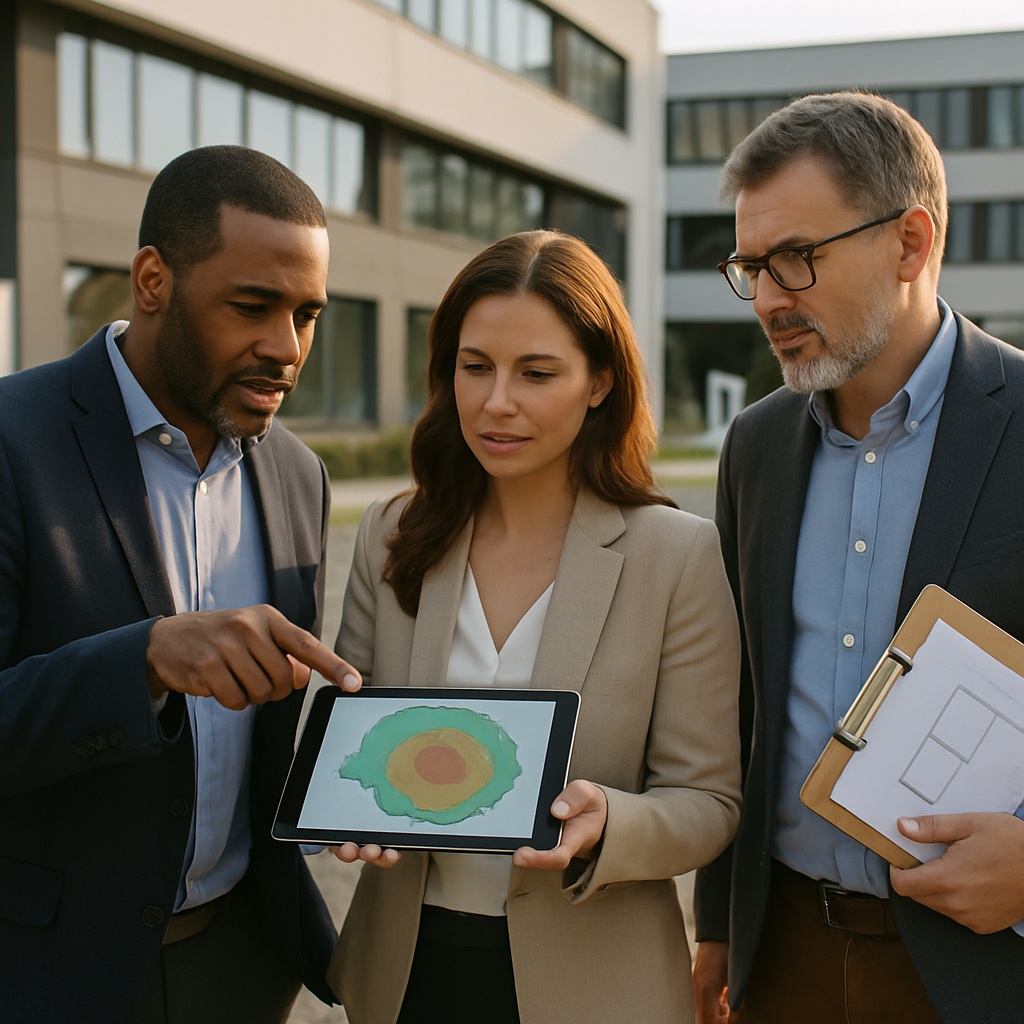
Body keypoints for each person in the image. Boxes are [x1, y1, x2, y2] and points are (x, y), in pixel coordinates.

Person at [325, 230, 743, 1024]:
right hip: (407, 973)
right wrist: (349, 810)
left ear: (600, 382)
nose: (495, 402)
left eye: (536, 373)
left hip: (595, 982)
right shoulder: (390, 533)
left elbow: (709, 799)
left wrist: (610, 823)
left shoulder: (676, 555)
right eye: (474, 366)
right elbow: (352, 740)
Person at [0, 145, 364, 1024]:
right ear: (153, 280)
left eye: (308, 314)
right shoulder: (12, 440)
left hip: (244, 965)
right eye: (253, 306)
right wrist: (148, 660)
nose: (286, 348)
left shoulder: (297, 474)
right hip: (49, 975)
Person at [691, 92, 1024, 1024]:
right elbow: (745, 704)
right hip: (784, 955)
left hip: (983, 973)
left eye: (795, 258)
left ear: (911, 243)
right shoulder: (754, 447)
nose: (766, 298)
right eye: (751, 267)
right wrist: (718, 924)